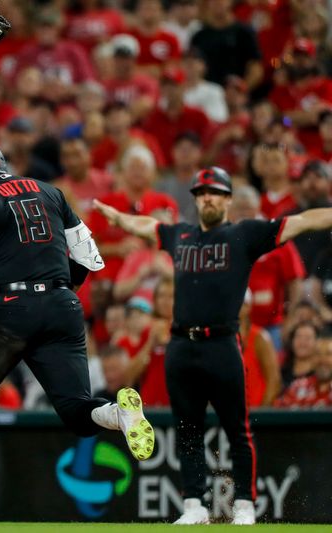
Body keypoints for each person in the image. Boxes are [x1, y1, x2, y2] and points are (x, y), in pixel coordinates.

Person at [0, 143, 155, 525]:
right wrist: (55, 293)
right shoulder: (51, 191)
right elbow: (90, 257)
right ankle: (117, 413)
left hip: (11, 308)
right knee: (76, 409)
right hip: (63, 306)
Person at [93, 165, 332, 524]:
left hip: (221, 342)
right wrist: (119, 218)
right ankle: (194, 504)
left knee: (237, 428)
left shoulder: (244, 234)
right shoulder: (181, 235)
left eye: (216, 193)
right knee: (187, 428)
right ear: (196, 199)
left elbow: (302, 221)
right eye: (202, 193)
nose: (208, 198)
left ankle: (245, 505)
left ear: (227, 200)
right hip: (180, 343)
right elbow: (147, 227)